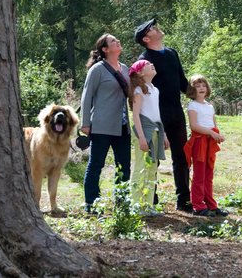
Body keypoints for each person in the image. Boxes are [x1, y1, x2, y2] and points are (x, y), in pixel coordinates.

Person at [134, 18, 193, 213]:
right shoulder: (144, 61)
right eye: (151, 28)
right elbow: (139, 91)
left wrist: (200, 95)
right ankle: (151, 198)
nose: (156, 28)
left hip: (176, 113)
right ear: (146, 38)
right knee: (153, 159)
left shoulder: (172, 53)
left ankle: (184, 200)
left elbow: (182, 82)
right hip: (155, 116)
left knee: (182, 156)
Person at [80, 34, 131, 212]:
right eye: (113, 42)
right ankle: (92, 204)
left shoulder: (125, 69)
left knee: (124, 166)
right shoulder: (97, 69)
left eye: (117, 40)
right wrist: (85, 123)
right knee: (96, 164)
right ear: (105, 49)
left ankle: (123, 203)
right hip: (101, 125)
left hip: (123, 125)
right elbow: (86, 97)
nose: (118, 42)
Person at [127, 59, 169, 216]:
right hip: (144, 131)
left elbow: (157, 114)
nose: (152, 64)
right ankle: (136, 205)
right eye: (147, 64)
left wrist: (163, 134)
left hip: (156, 130)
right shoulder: (139, 90)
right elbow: (136, 115)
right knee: (140, 167)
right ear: (140, 72)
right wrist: (142, 138)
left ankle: (148, 204)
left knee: (152, 168)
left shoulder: (155, 89)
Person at [183, 74, 228, 217]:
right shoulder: (192, 105)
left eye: (203, 85)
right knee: (199, 174)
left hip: (210, 142)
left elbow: (214, 124)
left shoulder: (210, 106)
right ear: (192, 89)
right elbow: (194, 125)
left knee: (209, 174)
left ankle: (211, 204)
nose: (201, 88)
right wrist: (210, 133)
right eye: (197, 86)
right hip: (199, 142)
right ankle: (198, 205)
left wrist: (217, 135)